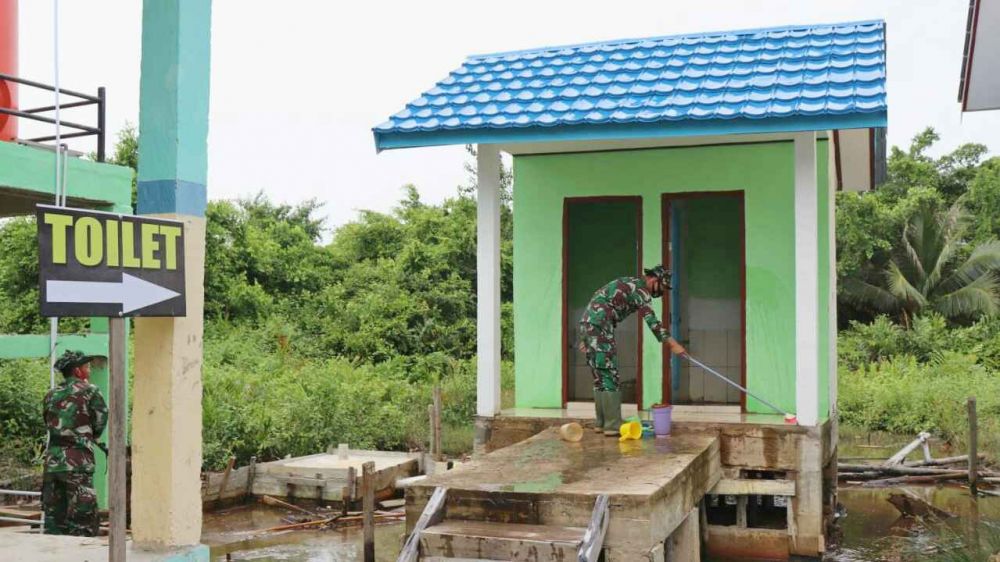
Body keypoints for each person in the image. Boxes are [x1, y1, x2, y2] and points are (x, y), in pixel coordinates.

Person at [578, 265, 686, 436]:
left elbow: (597, 299)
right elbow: (653, 323)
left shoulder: (629, 282)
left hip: (588, 323)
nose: (661, 292)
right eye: (662, 287)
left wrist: (586, 337)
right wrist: (673, 344)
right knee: (610, 374)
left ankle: (602, 423)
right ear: (653, 279)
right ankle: (613, 425)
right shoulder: (641, 291)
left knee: (600, 375)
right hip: (601, 325)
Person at [42, 350, 108, 536]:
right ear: (78, 371)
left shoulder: (51, 394)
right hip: (78, 462)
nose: (89, 370)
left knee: (55, 520)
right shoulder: (90, 391)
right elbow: (100, 421)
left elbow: (48, 422)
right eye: (87, 366)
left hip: (53, 463)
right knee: (82, 520)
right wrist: (85, 435)